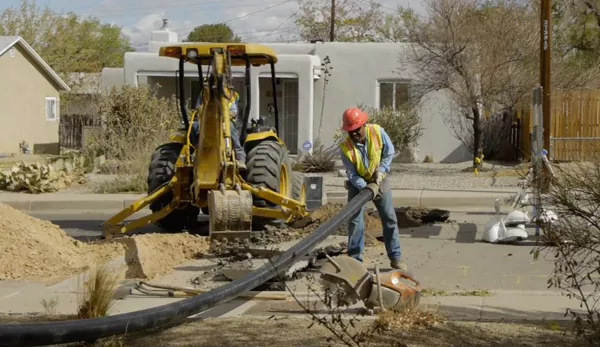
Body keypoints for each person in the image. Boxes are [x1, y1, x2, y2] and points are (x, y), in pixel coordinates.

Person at [338, 107, 408, 272]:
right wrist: (366, 188)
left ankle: (396, 258)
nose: (354, 134)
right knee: (355, 220)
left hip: (379, 178)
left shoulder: (377, 132)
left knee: (389, 218)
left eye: (356, 130)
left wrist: (381, 172)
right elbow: (352, 173)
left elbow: (388, 152)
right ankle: (355, 261)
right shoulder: (345, 147)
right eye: (350, 131)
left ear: (363, 125)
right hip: (358, 184)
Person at [191, 88, 246, 170]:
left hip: (226, 120)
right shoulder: (204, 93)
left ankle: (239, 155)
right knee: (194, 126)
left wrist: (222, 116)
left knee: (230, 127)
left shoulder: (231, 94)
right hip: (207, 120)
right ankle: (194, 151)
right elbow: (198, 108)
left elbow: (233, 112)